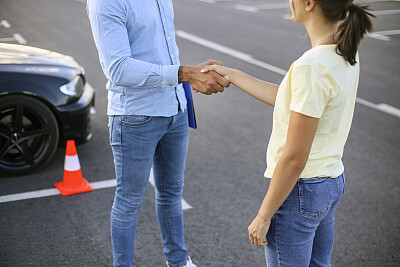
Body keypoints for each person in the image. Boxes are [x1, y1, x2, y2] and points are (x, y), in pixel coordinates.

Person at [202, 0, 375, 265]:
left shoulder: (311, 66)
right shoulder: (343, 52)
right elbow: (292, 100)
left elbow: (294, 158)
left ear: (309, 3)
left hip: (301, 190)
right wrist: (233, 75)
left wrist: (263, 215)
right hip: (329, 180)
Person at [86, 0, 229, 266]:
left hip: (175, 107)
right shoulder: (105, 2)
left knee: (172, 192)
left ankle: (177, 261)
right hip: (135, 117)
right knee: (129, 202)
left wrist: (189, 74)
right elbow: (118, 68)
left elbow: (161, 48)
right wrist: (183, 74)